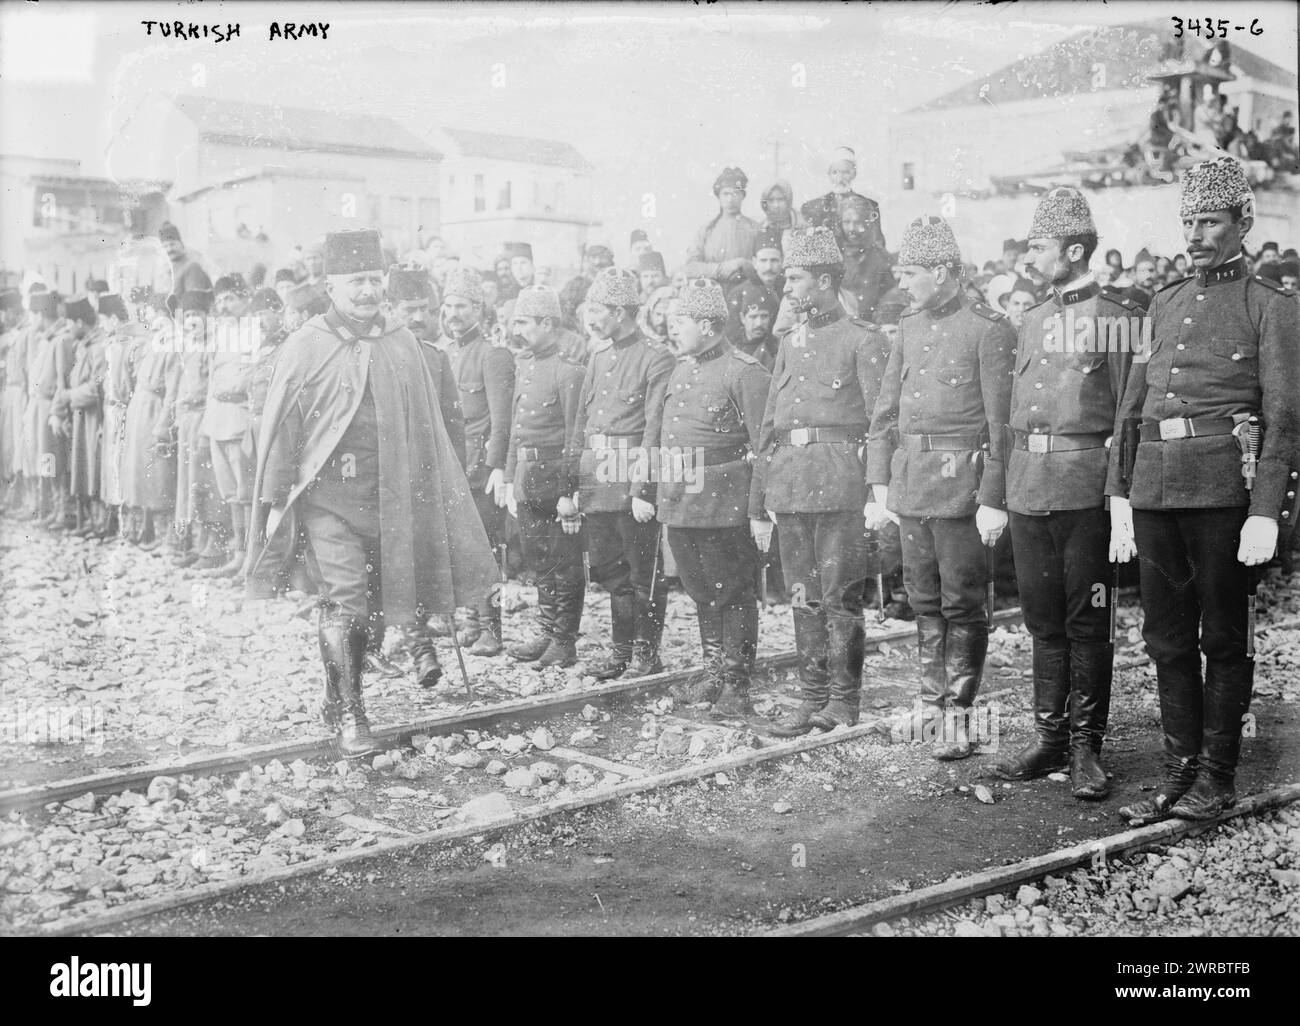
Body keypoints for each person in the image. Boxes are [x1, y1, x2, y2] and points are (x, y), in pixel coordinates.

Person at [246, 229, 498, 756]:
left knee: (382, 607)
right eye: (354, 281)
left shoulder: (402, 342)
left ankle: (336, 697)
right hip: (329, 500)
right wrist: (273, 503)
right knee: (347, 602)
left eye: (372, 279)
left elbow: (428, 425)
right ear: (331, 286)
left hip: (391, 498)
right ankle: (353, 713)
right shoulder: (308, 342)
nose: (366, 290)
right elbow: (283, 425)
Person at [1110, 157, 1300, 823]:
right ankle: (1177, 769)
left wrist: (1266, 512)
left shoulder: (1269, 306)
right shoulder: (1163, 303)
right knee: (1164, 638)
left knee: (1222, 636)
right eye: (1189, 219)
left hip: (1224, 495)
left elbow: (1284, 419)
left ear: (1242, 223)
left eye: (1210, 220)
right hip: (1159, 492)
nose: (1195, 233)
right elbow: (1133, 411)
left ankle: (1217, 775)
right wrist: (1120, 497)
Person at [990, 187, 1143, 800]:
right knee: (1042, 618)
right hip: (1030, 487)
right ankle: (1049, 739)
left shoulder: (1116, 320)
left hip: (1085, 493)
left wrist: (1119, 499)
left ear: (1075, 249)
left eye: (1041, 245)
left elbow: (1127, 418)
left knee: (1088, 619)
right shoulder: (1029, 322)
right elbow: (1010, 419)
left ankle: (1086, 747)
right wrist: (999, 492)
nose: (1031, 255)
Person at [865, 215, 1016, 759]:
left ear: (942, 271)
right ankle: (930, 703)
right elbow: (886, 411)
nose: (902, 284)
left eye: (910, 273)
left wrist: (992, 497)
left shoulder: (988, 327)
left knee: (962, 602)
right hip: (911, 483)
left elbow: (1001, 426)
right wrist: (878, 482)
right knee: (924, 599)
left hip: (961, 489)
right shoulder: (907, 325)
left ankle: (960, 712)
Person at [756, 226, 892, 735]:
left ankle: (843, 701)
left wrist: (878, 489)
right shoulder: (790, 341)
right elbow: (770, 425)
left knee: (840, 599)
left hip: (839, 486)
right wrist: (762, 496)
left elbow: (883, 420)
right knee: (800, 598)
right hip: (790, 486)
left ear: (825, 280)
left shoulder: (863, 339)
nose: (788, 288)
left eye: (796, 278)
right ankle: (811, 699)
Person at [657, 278, 771, 716]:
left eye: (681, 321)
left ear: (707, 325)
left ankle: (737, 685)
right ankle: (714, 673)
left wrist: (759, 508)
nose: (674, 329)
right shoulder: (681, 368)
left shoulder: (744, 371)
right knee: (700, 589)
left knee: (734, 592)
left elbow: (764, 446)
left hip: (724, 504)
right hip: (682, 499)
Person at [568, 267, 675, 679]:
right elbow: (582, 423)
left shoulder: (656, 356)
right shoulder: (597, 356)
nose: (590, 320)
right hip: (597, 480)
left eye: (596, 311)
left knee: (642, 569)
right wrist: (577, 484)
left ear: (620, 311)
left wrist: (643, 489)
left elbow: (654, 429)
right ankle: (621, 652)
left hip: (630, 480)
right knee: (612, 572)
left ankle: (647, 653)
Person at [503, 285, 587, 668]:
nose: (518, 331)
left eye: (524, 323)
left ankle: (564, 641)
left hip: (555, 481)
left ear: (548, 323)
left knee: (564, 561)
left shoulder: (570, 373)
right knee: (539, 559)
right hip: (526, 477)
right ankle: (547, 630)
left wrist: (571, 491)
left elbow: (575, 437)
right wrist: (508, 478)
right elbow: (514, 431)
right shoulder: (524, 367)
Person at [439, 266, 515, 657]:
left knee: (489, 547)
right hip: (450, 467)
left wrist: (497, 468)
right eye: (449, 305)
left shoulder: (493, 355)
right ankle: (470, 619)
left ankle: (492, 628)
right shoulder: (443, 353)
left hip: (480, 470)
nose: (453, 313)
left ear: (479, 310)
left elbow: (502, 421)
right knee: (460, 546)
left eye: (462, 306)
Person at [202, 276, 256, 578]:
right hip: (218, 419)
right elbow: (214, 378)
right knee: (231, 492)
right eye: (221, 300)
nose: (225, 305)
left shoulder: (253, 331)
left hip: (239, 419)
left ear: (245, 298)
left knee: (246, 491)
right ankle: (238, 552)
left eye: (231, 299)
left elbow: (252, 374)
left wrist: (231, 388)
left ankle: (250, 556)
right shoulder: (221, 333)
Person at [50, 297, 104, 536]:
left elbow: (95, 389)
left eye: (71, 322)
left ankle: (101, 522)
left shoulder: (99, 348)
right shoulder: (83, 345)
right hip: (81, 416)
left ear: (81, 322)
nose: (69, 328)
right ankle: (89, 521)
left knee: (94, 469)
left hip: (94, 418)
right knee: (82, 468)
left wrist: (69, 396)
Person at [684, 166, 762, 284]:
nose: (730, 199)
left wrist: (742, 264)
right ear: (718, 196)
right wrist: (720, 269)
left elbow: (766, 265)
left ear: (743, 196)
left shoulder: (755, 228)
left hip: (747, 291)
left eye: (736, 193)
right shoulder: (707, 230)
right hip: (713, 292)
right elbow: (690, 268)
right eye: (726, 194)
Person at [800, 147, 886, 253]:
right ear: (829, 175)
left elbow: (878, 244)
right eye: (835, 172)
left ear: (854, 174)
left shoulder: (870, 206)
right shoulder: (813, 208)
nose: (840, 178)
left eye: (845, 172)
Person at [839, 195, 896, 322]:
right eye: (846, 222)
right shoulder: (835, 257)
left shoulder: (880, 257)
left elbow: (890, 293)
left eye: (857, 221)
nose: (851, 228)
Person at [158, 223, 212, 314]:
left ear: (181, 244)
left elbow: (193, 303)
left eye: (172, 244)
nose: (169, 249)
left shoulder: (191, 267)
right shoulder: (167, 270)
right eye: (165, 246)